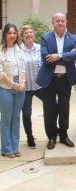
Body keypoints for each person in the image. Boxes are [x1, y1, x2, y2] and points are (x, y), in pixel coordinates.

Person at [36, 12, 76, 150]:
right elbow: (45, 57)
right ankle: (51, 137)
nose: (60, 23)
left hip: (65, 80)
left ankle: (63, 135)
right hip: (50, 79)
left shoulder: (73, 38)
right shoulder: (45, 38)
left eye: (62, 20)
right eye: (57, 21)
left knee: (64, 107)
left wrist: (59, 56)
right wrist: (68, 56)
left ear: (66, 22)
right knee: (49, 109)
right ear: (53, 23)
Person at [0, 24, 26, 158]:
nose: (12, 35)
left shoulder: (19, 50)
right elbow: (0, 73)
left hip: (20, 87)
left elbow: (23, 69)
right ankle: (6, 148)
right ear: (5, 35)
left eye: (14, 33)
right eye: (9, 33)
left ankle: (15, 147)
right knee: (6, 118)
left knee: (16, 118)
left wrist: (22, 83)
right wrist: (13, 84)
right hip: (6, 87)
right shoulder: (1, 51)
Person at [20, 25, 47, 149]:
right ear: (22, 36)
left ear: (33, 34)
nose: (29, 34)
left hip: (39, 86)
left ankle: (53, 130)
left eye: (31, 32)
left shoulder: (40, 48)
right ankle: (30, 137)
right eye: (26, 33)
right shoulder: (18, 50)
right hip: (25, 88)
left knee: (54, 104)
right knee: (26, 113)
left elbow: (44, 65)